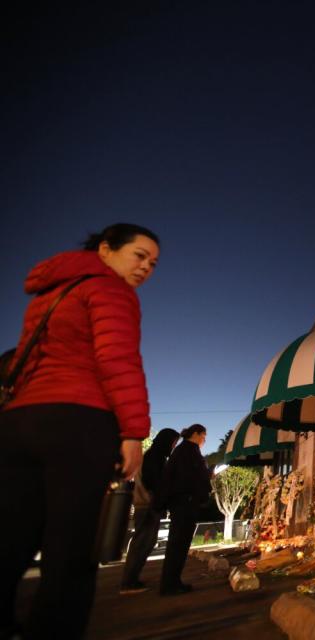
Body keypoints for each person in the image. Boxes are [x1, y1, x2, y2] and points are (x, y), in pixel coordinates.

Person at [0, 223, 159, 638]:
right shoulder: (111, 290)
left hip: (21, 422)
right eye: (139, 255)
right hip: (78, 422)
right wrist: (133, 432)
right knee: (72, 550)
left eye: (153, 263)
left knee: (13, 537)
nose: (146, 267)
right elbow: (117, 360)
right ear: (106, 249)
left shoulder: (51, 291)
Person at [119, 428, 180, 594]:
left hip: (146, 504)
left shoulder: (153, 455)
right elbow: (154, 481)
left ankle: (131, 579)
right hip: (148, 506)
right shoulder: (155, 457)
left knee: (145, 542)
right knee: (142, 543)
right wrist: (163, 498)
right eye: (174, 442)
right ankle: (128, 582)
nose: (174, 446)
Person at [155, 424, 211, 595]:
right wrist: (207, 477)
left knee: (177, 544)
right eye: (203, 436)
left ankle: (172, 582)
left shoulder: (181, 451)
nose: (204, 440)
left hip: (181, 502)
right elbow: (191, 477)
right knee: (179, 544)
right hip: (185, 502)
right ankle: (170, 584)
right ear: (195, 433)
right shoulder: (189, 450)